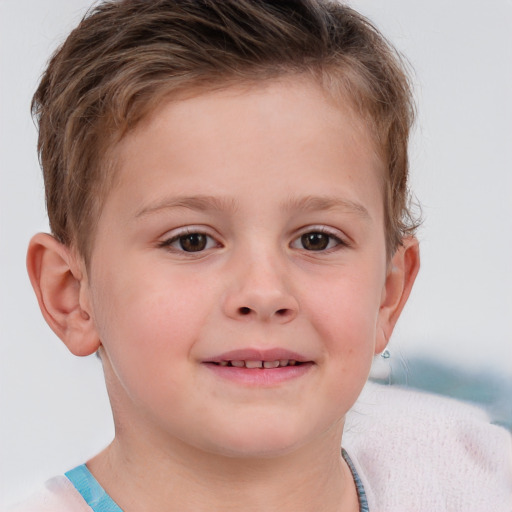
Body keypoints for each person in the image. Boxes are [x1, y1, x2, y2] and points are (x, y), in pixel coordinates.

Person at [7, 1, 511, 511]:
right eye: (192, 241)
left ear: (388, 292)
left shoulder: (483, 483)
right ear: (71, 295)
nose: (264, 293)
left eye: (317, 239)